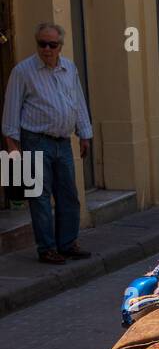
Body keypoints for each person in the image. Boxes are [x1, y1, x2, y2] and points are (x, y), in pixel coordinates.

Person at [2, 22, 93, 264]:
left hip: (63, 141)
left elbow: (78, 102)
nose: (47, 49)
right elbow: (11, 109)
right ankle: (47, 248)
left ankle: (68, 243)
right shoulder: (23, 71)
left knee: (68, 194)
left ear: (60, 46)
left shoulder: (69, 68)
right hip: (35, 140)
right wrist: (12, 146)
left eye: (52, 45)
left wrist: (84, 134)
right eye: (42, 44)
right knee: (39, 198)